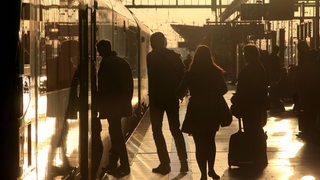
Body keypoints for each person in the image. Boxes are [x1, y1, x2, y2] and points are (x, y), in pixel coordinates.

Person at [177, 45, 227, 180]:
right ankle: (211, 170)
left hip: (196, 110)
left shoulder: (190, 73)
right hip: (212, 109)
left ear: (196, 57)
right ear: (209, 57)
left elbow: (180, 90)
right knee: (210, 142)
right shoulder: (215, 72)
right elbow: (224, 90)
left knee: (199, 144)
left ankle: (203, 175)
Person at [146, 32, 188, 175]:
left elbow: (153, 80)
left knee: (157, 131)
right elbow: (183, 75)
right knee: (175, 130)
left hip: (157, 100)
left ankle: (165, 164)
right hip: (171, 98)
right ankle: (184, 163)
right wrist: (180, 92)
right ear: (164, 42)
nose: (151, 45)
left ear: (154, 43)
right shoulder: (174, 56)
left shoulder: (150, 57)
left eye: (152, 42)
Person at [96, 39, 133, 178]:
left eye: (99, 50)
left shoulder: (106, 63)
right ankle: (113, 164)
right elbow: (128, 86)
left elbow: (104, 87)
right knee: (116, 133)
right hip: (121, 105)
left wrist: (99, 104)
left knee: (116, 135)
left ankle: (125, 166)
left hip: (112, 106)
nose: (98, 53)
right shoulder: (122, 62)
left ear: (104, 50)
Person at [231, 44, 269, 168]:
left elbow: (243, 89)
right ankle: (259, 157)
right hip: (258, 105)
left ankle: (253, 156)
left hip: (249, 106)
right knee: (257, 130)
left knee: (251, 130)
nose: (244, 56)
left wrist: (235, 99)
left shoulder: (248, 70)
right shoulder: (261, 68)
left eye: (245, 54)